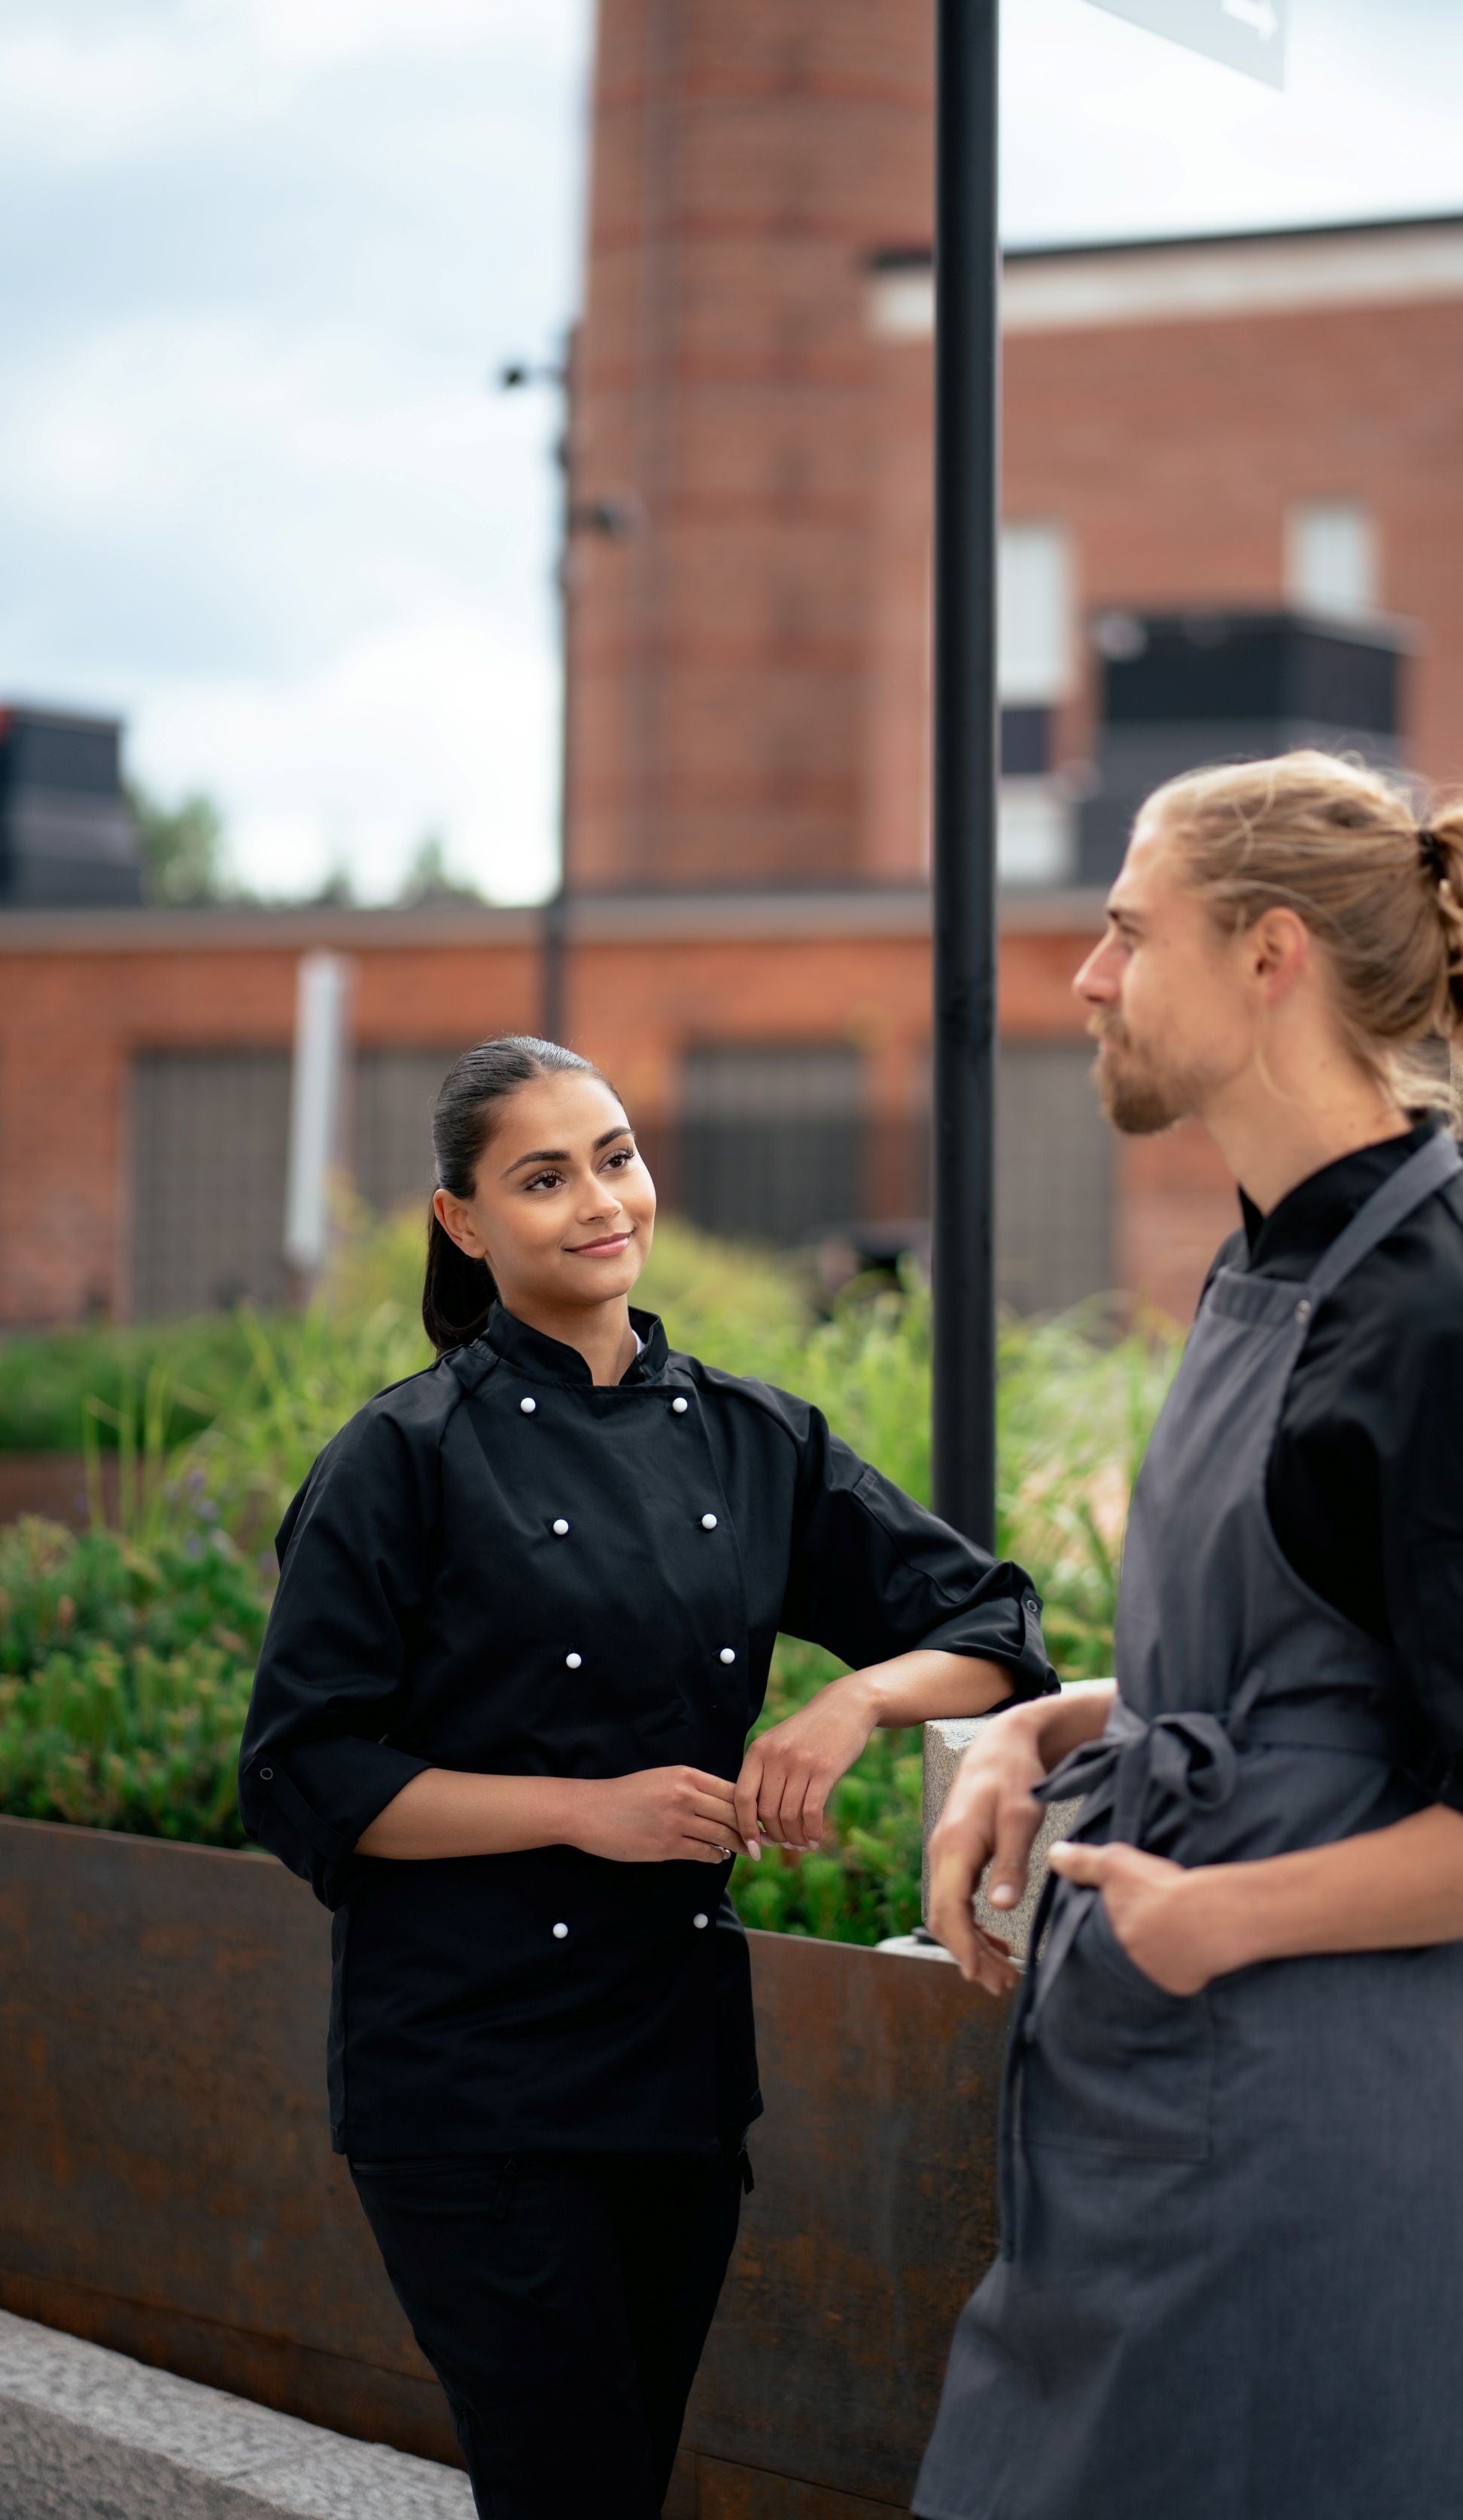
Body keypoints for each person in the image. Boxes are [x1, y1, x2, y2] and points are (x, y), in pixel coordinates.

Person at [915, 754, 1463, 2520]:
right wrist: (1044, 1733)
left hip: (1337, 2143)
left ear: (1266, 956)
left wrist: (1213, 1919)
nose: (1087, 979)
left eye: (1124, 931)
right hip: (1170, 2109)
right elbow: (1306, 1673)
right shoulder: (1274, 1265)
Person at [238, 1034, 1055, 2520]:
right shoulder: (402, 1460)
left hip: (671, 2071)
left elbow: (996, 1634)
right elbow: (304, 1772)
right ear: (463, 1223)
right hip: (468, 2081)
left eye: (613, 1155)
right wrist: (581, 1812)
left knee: (615, 2486)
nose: (598, 1199)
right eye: (542, 1177)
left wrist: (847, 1705)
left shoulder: (754, 1440)